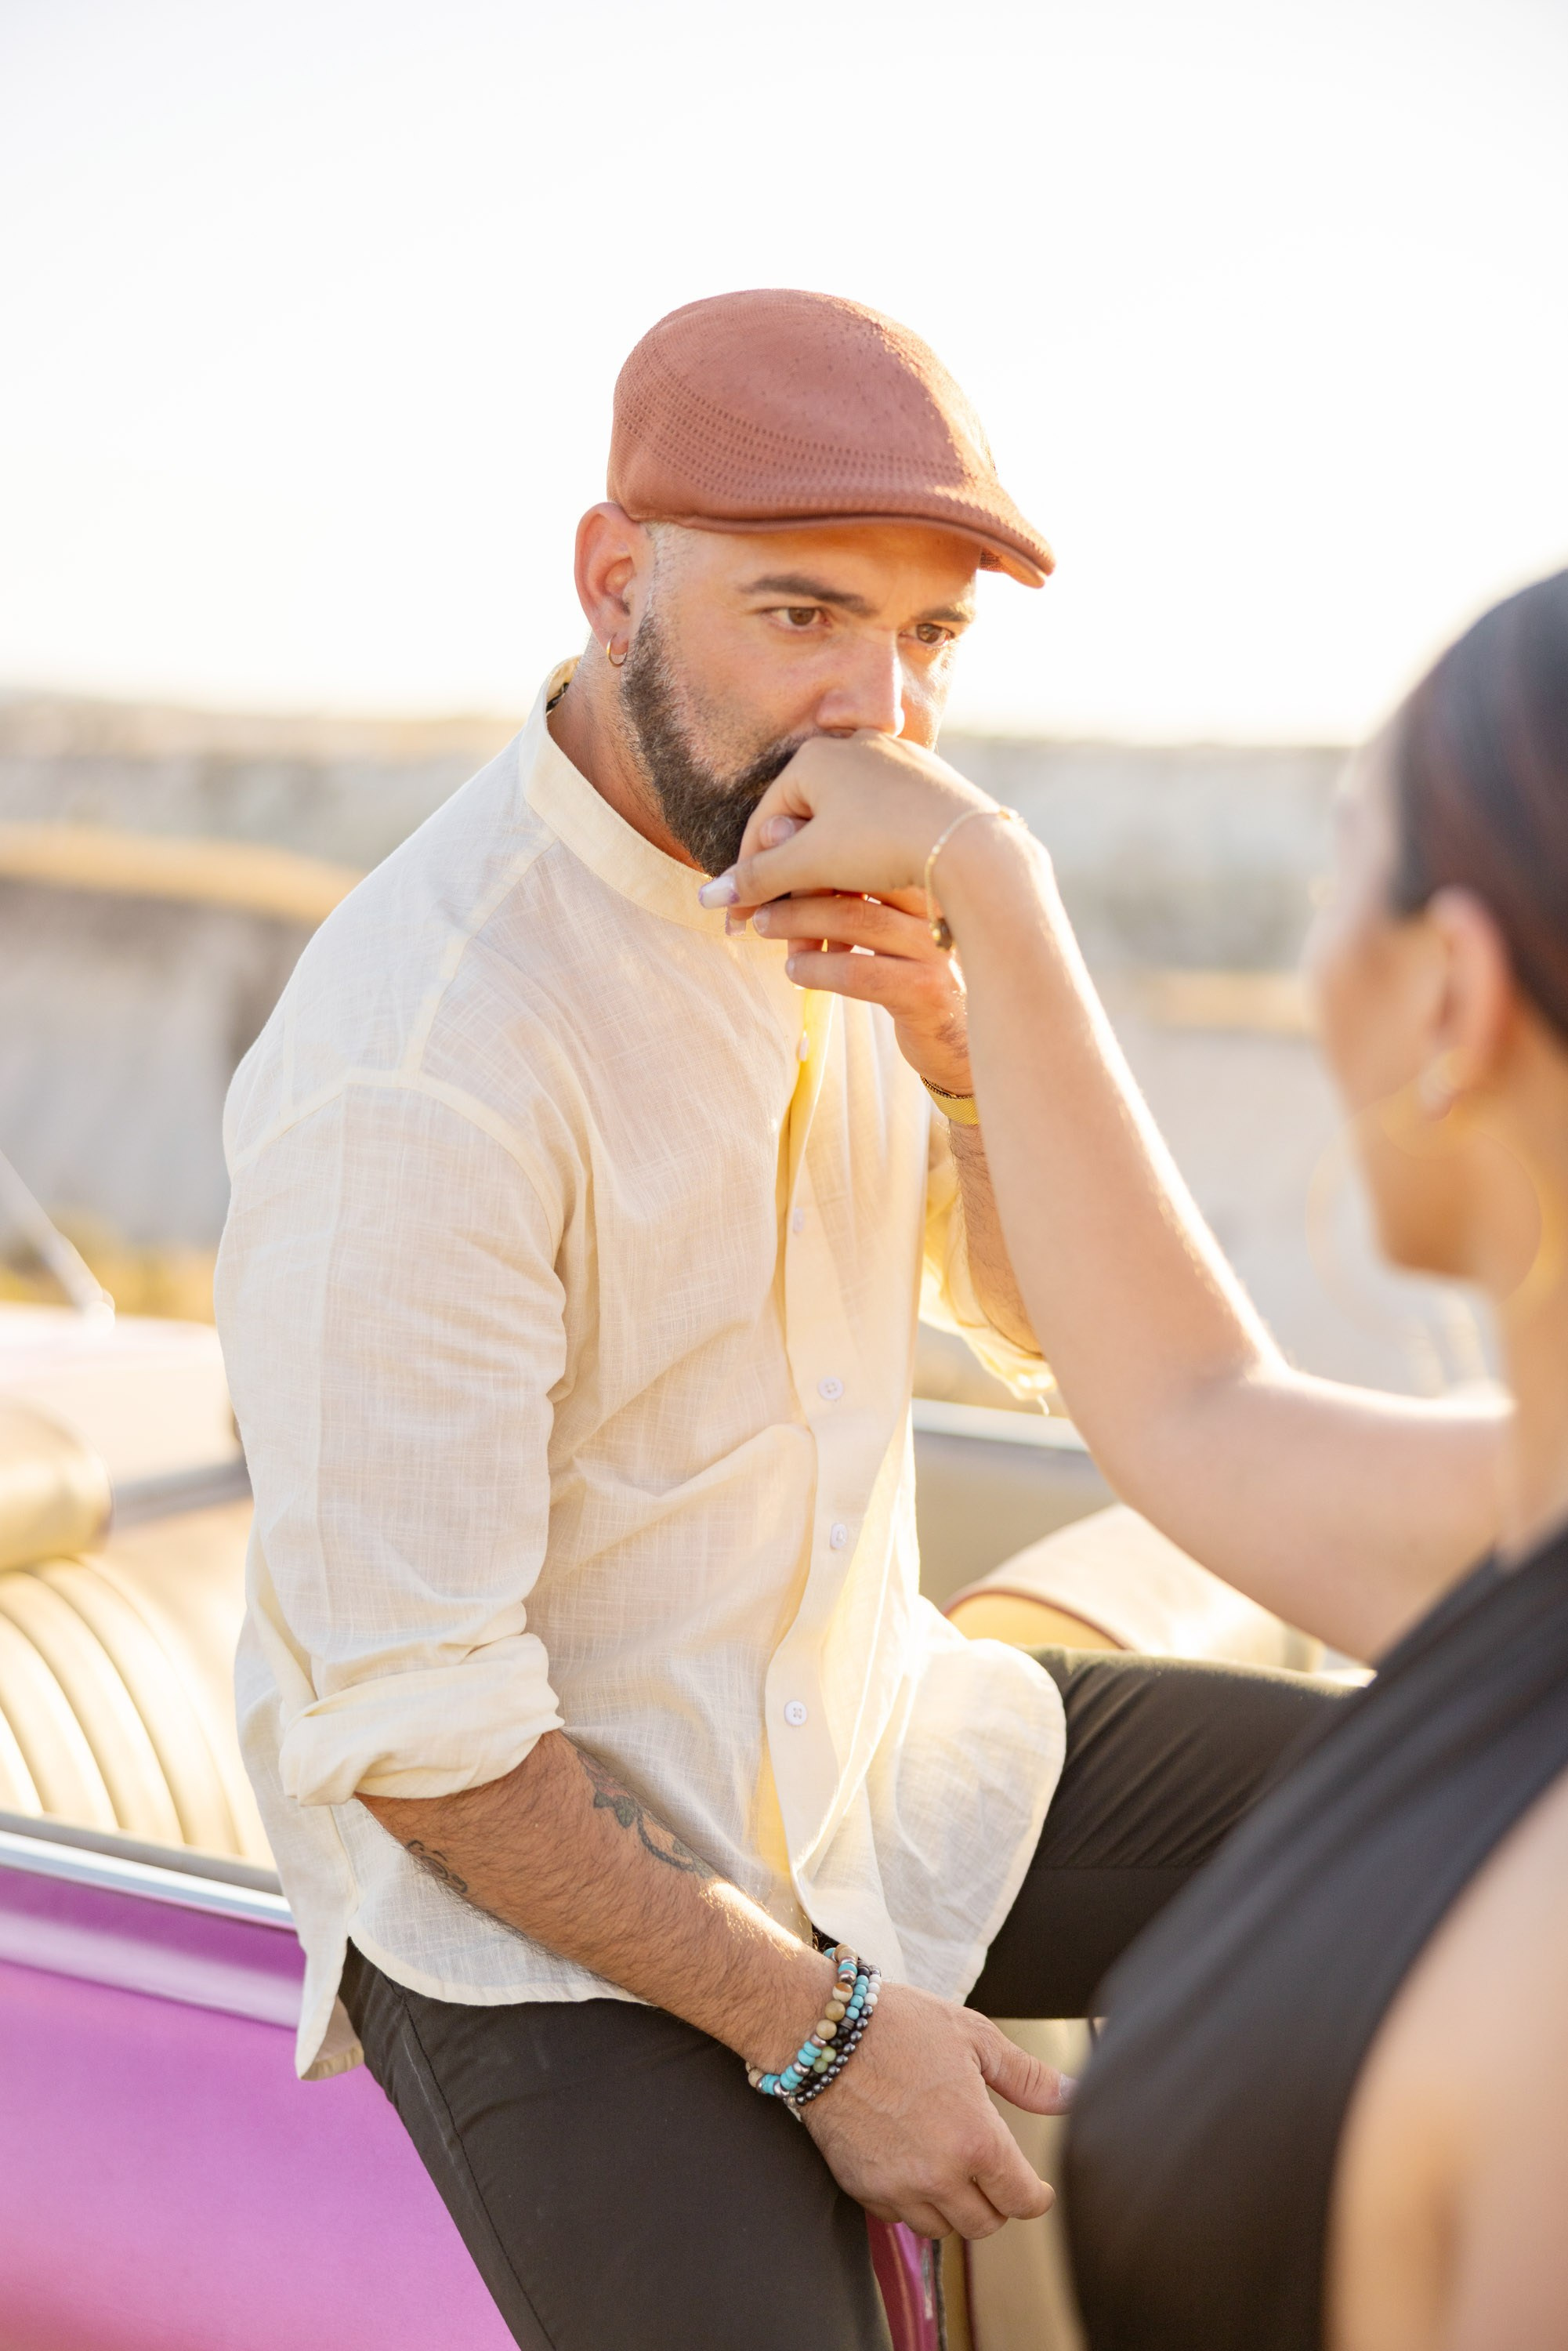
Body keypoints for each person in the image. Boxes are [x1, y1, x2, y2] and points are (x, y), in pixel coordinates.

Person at [215, 288, 1461, 2350]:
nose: (876, 704)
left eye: (930, 639)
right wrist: (830, 2037)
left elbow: (1050, 1347)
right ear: (615, 577)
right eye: (803, 615)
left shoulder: (829, 880)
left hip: (894, 1749)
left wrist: (972, 1077)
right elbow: (425, 1745)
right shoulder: (419, 1061)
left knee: (1476, 1835)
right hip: (556, 1904)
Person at [708, 567, 1568, 2347]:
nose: (1311, 946)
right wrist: (988, 913)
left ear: (1454, 997)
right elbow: (1187, 1410)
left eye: (1335, 877)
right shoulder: (1521, 1518)